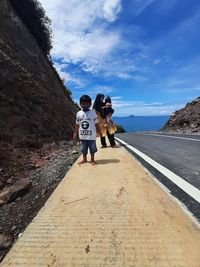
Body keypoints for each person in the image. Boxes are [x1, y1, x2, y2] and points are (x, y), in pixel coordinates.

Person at [73, 95, 100, 165]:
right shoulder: (78, 113)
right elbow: (77, 124)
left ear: (90, 104)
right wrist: (75, 133)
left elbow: (96, 123)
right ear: (80, 104)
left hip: (91, 136)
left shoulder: (93, 113)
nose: (84, 105)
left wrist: (98, 131)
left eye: (86, 103)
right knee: (84, 149)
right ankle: (84, 159)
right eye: (82, 103)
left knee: (92, 148)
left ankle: (92, 159)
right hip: (83, 135)